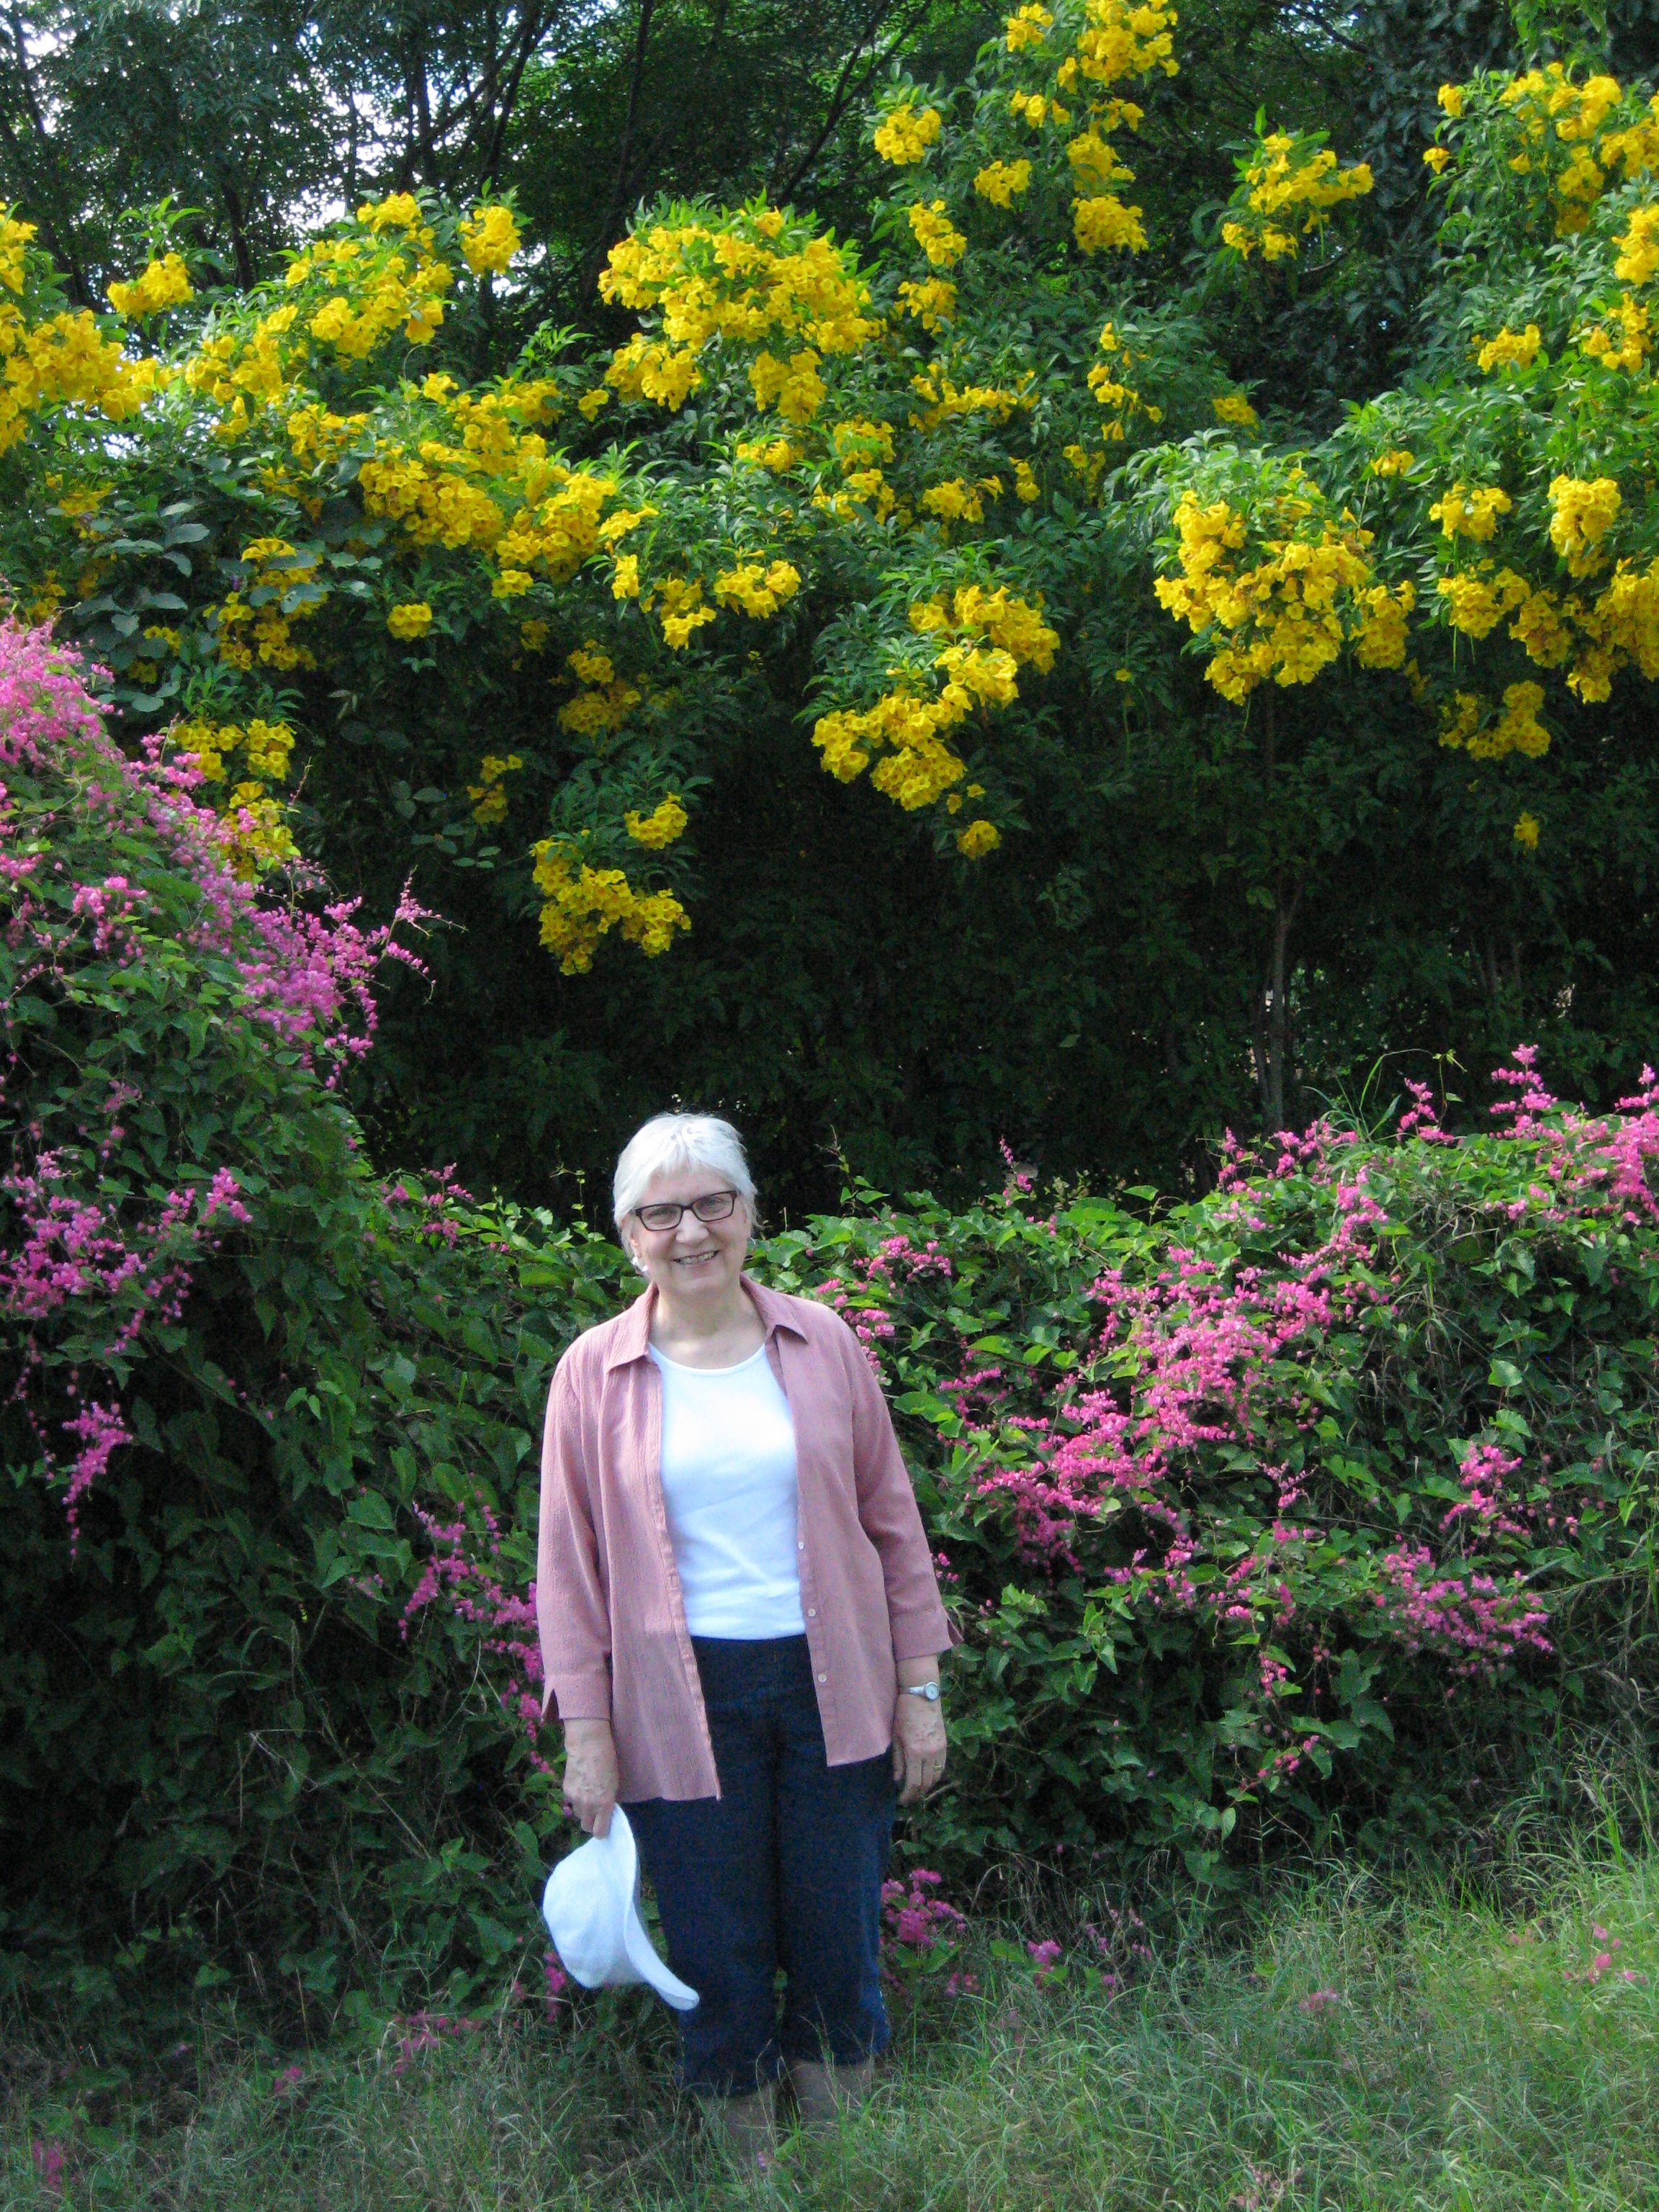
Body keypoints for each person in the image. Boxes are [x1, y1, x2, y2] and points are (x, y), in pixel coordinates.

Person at [536, 1111, 955, 2153]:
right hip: (676, 1706)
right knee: (716, 1957)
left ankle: (843, 2170)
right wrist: (586, 1731)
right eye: (662, 1213)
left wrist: (921, 1690)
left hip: (836, 1688)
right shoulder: (590, 1373)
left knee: (837, 1942)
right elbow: (568, 1570)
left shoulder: (823, 1343)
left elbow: (893, 1523)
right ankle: (753, 2180)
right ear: (629, 1235)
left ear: (751, 1213)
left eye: (713, 1203)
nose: (692, 1231)